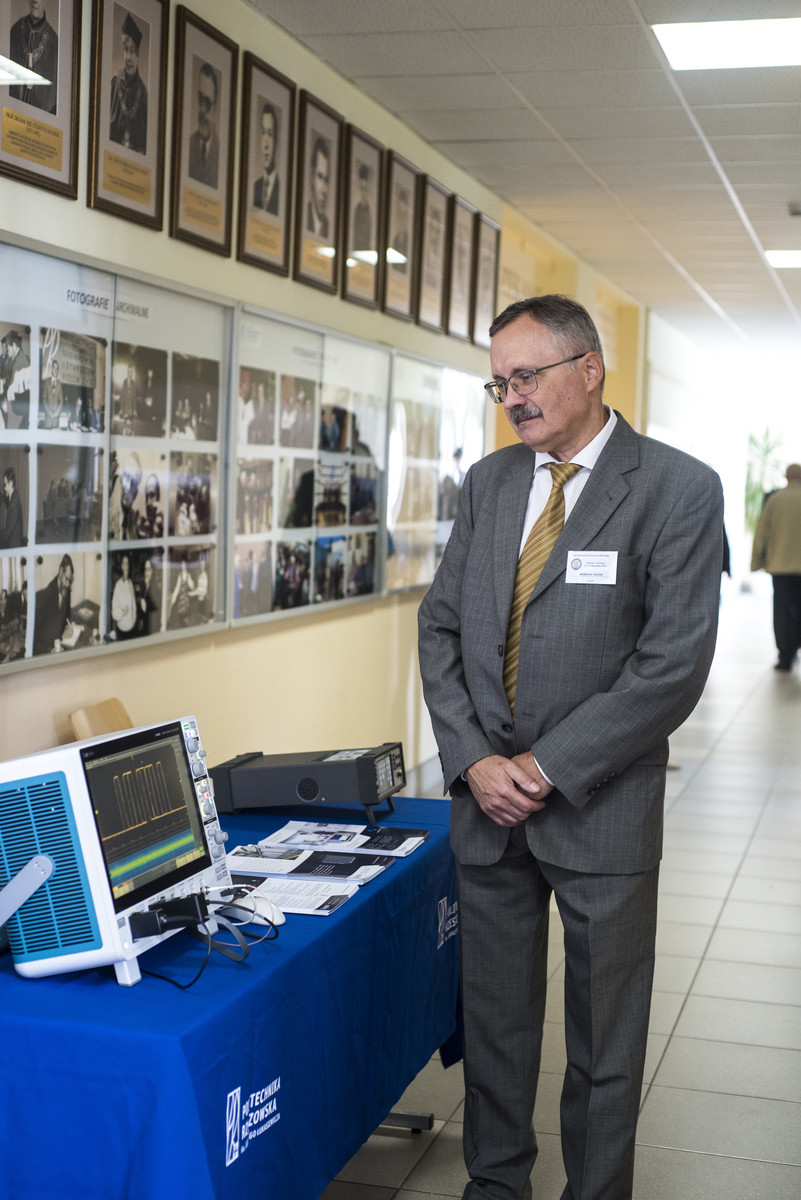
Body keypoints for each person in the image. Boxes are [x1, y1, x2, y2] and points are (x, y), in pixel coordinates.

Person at [418, 294, 724, 1200]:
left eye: (526, 375)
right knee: (495, 1025)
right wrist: (474, 760)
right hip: (488, 809)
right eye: (499, 382)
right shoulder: (489, 484)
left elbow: (670, 666)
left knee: (603, 1041)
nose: (511, 397)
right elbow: (440, 630)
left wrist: (545, 767)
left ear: (589, 369)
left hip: (599, 808)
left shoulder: (675, 487)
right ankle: (494, 1184)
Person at [750, 462, 801, 672]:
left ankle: (785, 655)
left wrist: (756, 561)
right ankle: (796, 645)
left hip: (780, 567)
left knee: (781, 611)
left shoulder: (775, 499)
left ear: (786, 477)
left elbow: (762, 532)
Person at [9, 0, 58, 114]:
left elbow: (53, 97)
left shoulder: (54, 41)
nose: (35, 1)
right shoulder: (16, 29)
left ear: (45, 3)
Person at [109, 12, 147, 154]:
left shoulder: (143, 93)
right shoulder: (115, 83)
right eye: (126, 50)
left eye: (133, 51)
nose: (129, 57)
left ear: (138, 55)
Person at [33, 553, 74, 655]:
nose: (68, 584)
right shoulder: (46, 595)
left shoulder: (67, 589)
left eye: (70, 581)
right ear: (61, 571)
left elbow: (67, 614)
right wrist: (61, 635)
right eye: (67, 579)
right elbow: (40, 633)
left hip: (61, 643)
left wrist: (68, 626)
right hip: (48, 648)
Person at [188, 61, 219, 188]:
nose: (201, 109)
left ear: (215, 107)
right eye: (200, 99)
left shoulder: (222, 156)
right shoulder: (188, 145)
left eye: (206, 102)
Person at [252, 101, 279, 214]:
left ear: (276, 140)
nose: (266, 144)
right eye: (263, 133)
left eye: (270, 134)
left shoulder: (281, 190)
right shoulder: (255, 187)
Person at [306, 135, 330, 238]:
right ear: (312, 177)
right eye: (320, 177)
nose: (324, 190)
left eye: (327, 180)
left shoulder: (329, 228)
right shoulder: (303, 217)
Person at [111, 554, 137, 639]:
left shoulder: (130, 582)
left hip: (132, 627)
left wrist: (134, 619)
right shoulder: (118, 585)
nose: (126, 566)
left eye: (127, 563)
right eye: (124, 563)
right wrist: (122, 612)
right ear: (121, 566)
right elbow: (114, 612)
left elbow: (133, 603)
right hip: (122, 629)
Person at [0, 467, 24, 548]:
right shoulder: (14, 496)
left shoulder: (13, 504)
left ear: (10, 483)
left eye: (5, 484)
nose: (4, 488)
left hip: (13, 544)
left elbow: (7, 533)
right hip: (15, 541)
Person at [351, 161, 372, 251]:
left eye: (365, 188)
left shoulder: (370, 211)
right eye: (361, 188)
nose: (363, 192)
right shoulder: (357, 210)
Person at [39, 355, 64, 428]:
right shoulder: (46, 382)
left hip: (56, 419)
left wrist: (57, 413)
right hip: (48, 418)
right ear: (51, 369)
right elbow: (44, 399)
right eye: (54, 367)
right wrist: (49, 412)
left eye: (57, 368)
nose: (55, 370)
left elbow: (61, 401)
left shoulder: (59, 384)